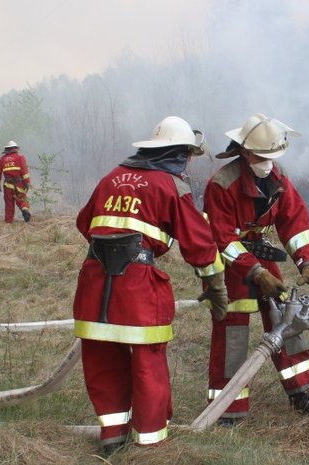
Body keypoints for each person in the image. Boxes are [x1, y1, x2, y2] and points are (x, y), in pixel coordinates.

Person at [71, 116, 228, 454]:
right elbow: (199, 243)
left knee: (102, 359)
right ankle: (152, 444)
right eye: (188, 156)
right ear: (180, 153)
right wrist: (214, 284)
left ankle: (112, 438)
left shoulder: (111, 177)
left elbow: (85, 223)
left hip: (94, 284)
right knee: (148, 363)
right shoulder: (172, 186)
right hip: (139, 288)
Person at [202, 113, 309, 425]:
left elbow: (294, 220)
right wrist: (255, 273)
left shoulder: (277, 178)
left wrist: (306, 262)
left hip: (263, 254)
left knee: (287, 320)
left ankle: (304, 393)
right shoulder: (222, 184)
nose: (267, 163)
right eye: (261, 156)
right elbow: (223, 239)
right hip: (232, 264)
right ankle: (229, 409)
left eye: (272, 156)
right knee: (233, 335)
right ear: (244, 152)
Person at [0, 140, 33, 223]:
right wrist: (27, 183)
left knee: (9, 204)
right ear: (15, 148)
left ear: (7, 149)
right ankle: (24, 210)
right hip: (19, 184)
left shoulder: (2, 159)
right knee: (22, 200)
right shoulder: (20, 157)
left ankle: (8, 222)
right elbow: (24, 171)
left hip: (7, 185)